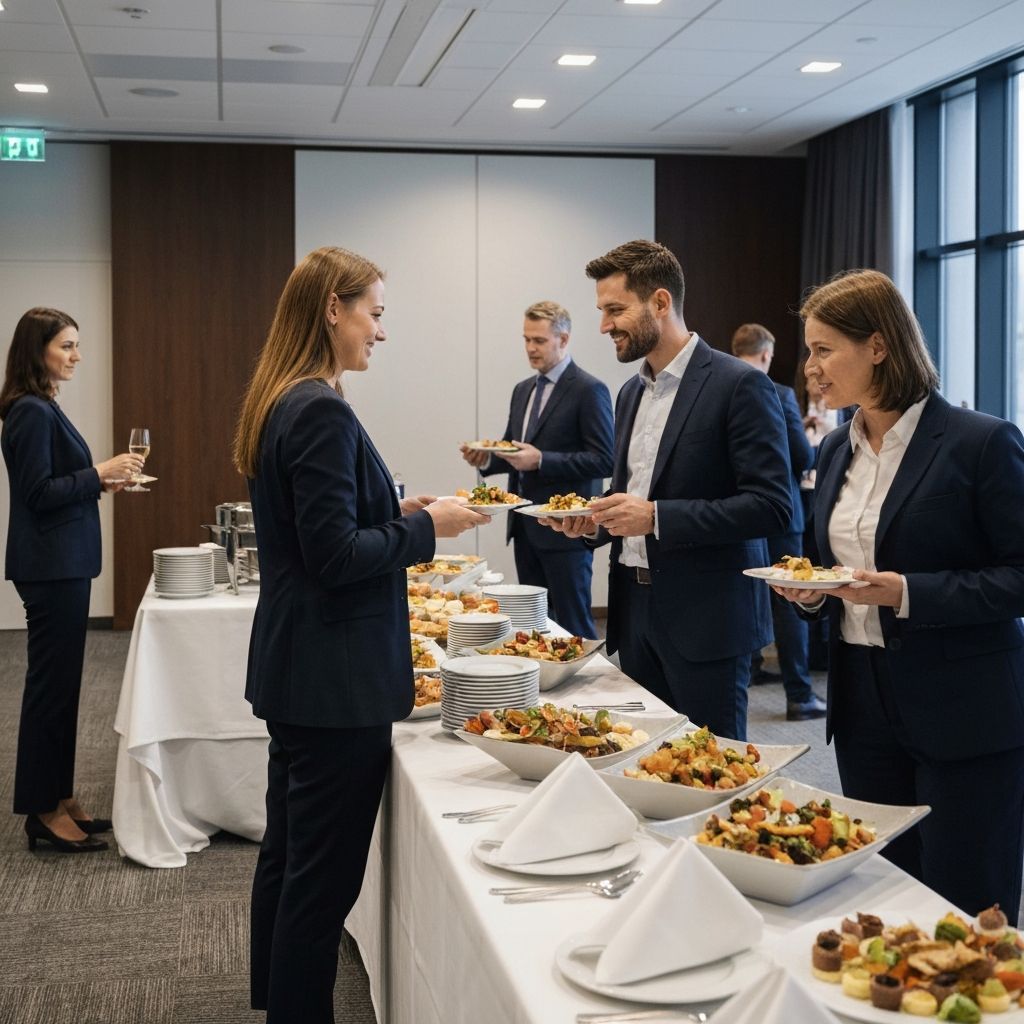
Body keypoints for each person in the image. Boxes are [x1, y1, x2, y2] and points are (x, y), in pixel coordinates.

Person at [233, 247, 486, 1023]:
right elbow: (335, 556)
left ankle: (275, 1001)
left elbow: (323, 528)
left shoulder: (285, 398)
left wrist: (401, 512)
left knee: (289, 857)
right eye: (374, 313)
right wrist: (431, 531)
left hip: (302, 667)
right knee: (320, 886)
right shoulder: (320, 408)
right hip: (334, 680)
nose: (381, 330)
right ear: (332, 309)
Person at [774, 268, 1024, 916]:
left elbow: (1018, 576)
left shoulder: (981, 442)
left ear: (878, 347)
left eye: (824, 349)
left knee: (968, 900)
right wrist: (812, 592)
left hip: (963, 708)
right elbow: (834, 568)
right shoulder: (835, 449)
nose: (810, 367)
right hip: (862, 702)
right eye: (809, 350)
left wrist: (909, 593)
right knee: (881, 889)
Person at [543, 241, 792, 740]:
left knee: (709, 768)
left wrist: (657, 517)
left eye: (615, 310)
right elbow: (629, 493)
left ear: (660, 302)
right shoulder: (629, 393)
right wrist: (593, 523)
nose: (604, 325)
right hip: (633, 616)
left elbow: (771, 506)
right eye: (602, 311)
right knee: (642, 761)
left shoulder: (739, 384)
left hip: (708, 621)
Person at [0, 307, 143, 853]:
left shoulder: (41, 407)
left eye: (76, 345)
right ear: (36, 350)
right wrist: (99, 472)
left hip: (62, 563)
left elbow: (58, 485)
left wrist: (98, 483)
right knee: (49, 691)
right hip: (51, 566)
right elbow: (38, 494)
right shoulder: (31, 413)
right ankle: (41, 810)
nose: (77, 355)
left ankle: (60, 798)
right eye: (66, 345)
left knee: (62, 689)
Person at [460, 300, 613, 638]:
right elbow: (512, 449)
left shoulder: (589, 390)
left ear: (564, 339)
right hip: (524, 527)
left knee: (572, 627)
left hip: (566, 530)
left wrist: (542, 460)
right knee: (533, 627)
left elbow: (605, 459)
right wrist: (486, 459)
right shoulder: (523, 390)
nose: (530, 348)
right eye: (526, 339)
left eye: (539, 341)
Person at [730, 323, 825, 721]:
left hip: (737, 516)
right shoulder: (780, 393)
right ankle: (799, 694)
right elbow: (802, 456)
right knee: (790, 601)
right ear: (767, 354)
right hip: (782, 515)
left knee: (746, 591)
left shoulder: (721, 390)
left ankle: (752, 668)